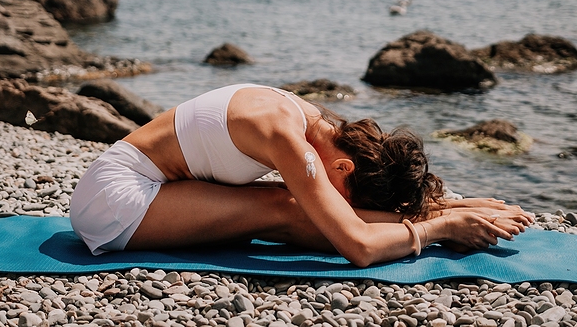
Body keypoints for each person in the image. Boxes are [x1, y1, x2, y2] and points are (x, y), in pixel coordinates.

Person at [70, 83, 533, 267]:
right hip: (114, 202)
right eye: (349, 193)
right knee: (282, 207)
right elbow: (358, 247)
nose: (341, 201)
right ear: (344, 166)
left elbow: (337, 209)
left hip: (151, 185)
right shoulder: (287, 135)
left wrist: (443, 203)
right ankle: (447, 218)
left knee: (292, 200)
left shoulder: (312, 119)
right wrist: (441, 228)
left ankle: (444, 207)